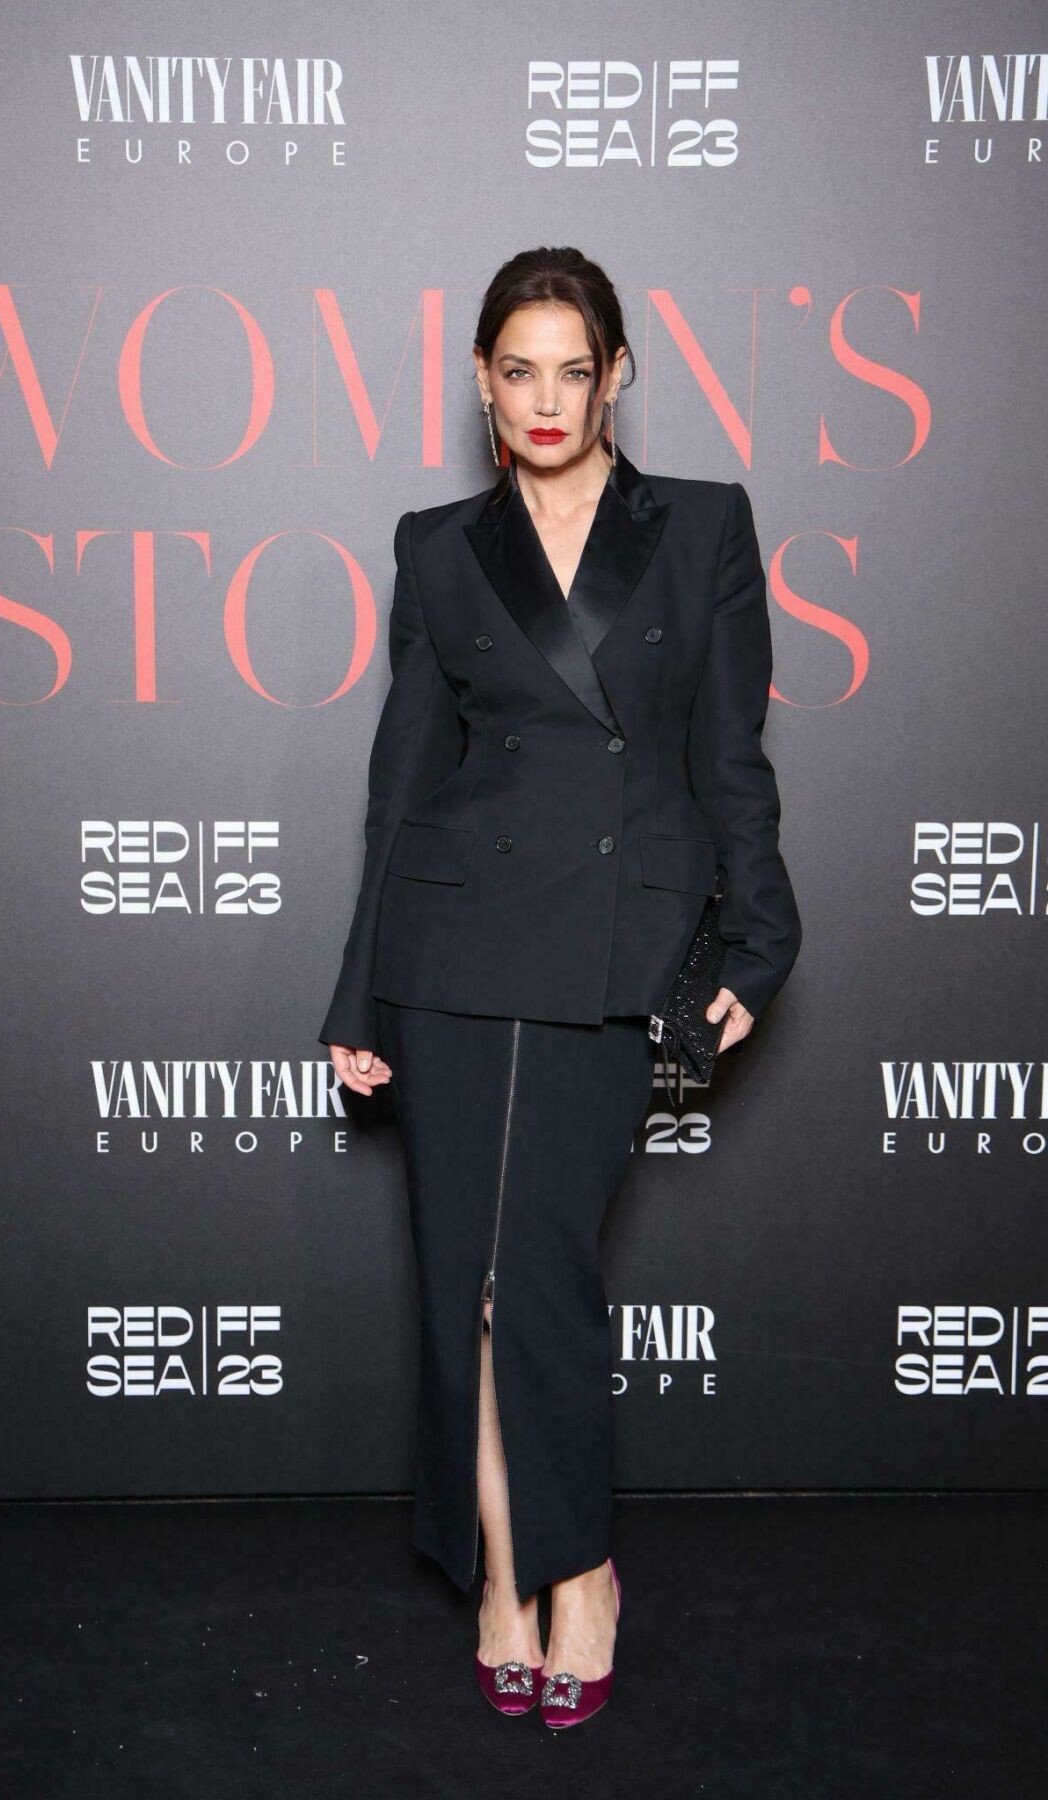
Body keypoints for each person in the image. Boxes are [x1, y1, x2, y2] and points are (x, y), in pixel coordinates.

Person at [317, 245, 802, 1726]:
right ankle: (502, 1582)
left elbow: (726, 753)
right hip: (452, 949)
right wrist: (357, 991)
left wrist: (759, 937)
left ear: (616, 376)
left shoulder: (700, 525)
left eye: (573, 370)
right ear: (482, 380)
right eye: (518, 370)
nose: (546, 398)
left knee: (536, 1273)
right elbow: (404, 777)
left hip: (613, 947)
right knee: (464, 1285)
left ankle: (578, 1568)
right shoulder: (437, 546)